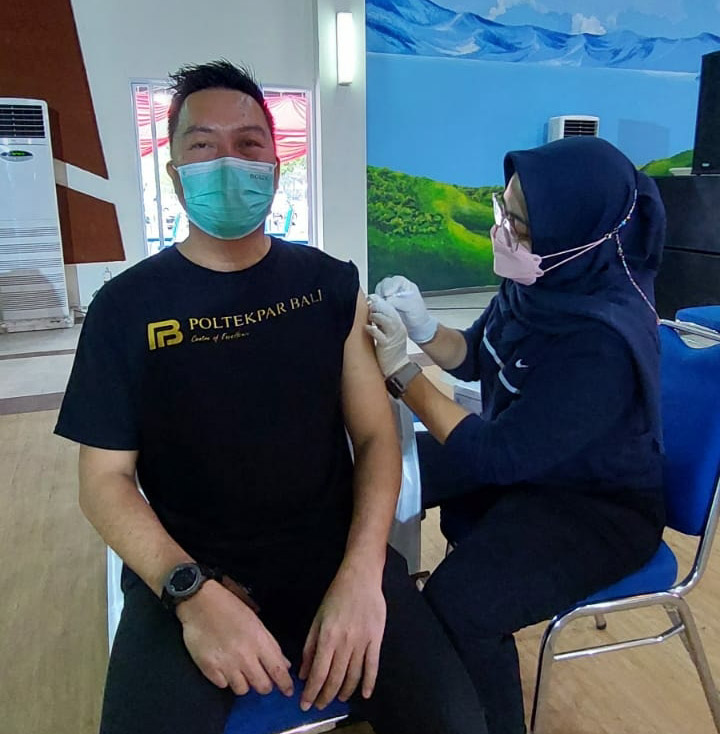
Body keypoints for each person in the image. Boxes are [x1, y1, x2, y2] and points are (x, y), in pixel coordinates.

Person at [55, 60, 487, 734]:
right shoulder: (124, 309)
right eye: (203, 145)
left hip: (334, 555)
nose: (228, 162)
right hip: (189, 569)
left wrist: (364, 573)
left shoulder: (328, 285)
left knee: (456, 721)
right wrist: (188, 591)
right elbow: (103, 481)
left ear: (276, 168)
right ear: (174, 173)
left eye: (249, 143)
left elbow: (376, 436)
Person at [368, 136, 667, 734]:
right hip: (529, 460)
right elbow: (476, 355)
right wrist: (424, 329)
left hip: (597, 509)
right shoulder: (541, 281)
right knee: (377, 470)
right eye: (503, 210)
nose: (502, 232)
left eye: (519, 225)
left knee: (462, 605)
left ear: (572, 233)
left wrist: (403, 373)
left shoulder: (601, 341)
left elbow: (495, 457)